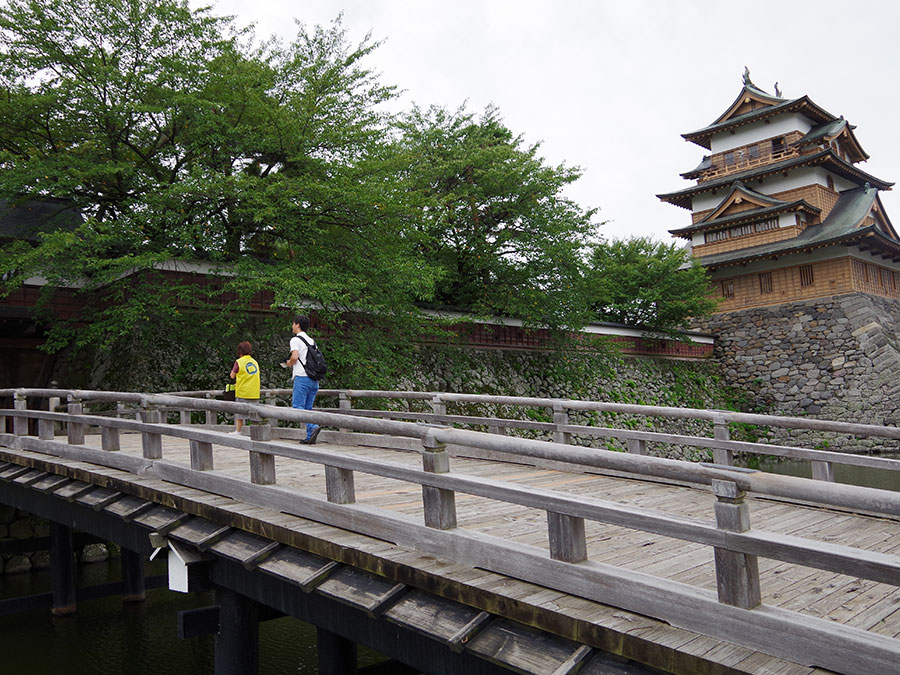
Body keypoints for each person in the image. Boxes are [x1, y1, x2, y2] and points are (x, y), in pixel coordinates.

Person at [285, 315, 321, 444]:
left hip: (302, 377)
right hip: (313, 379)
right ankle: (309, 437)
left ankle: (312, 427)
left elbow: (294, 356)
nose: (292, 326)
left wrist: (289, 363)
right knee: (308, 408)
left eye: (293, 324)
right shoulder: (311, 340)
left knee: (298, 406)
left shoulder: (295, 340)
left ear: (298, 325)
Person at [229, 341, 260, 435]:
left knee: (240, 414)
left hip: (243, 391)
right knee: (254, 415)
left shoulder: (239, 362)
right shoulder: (254, 362)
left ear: (240, 352)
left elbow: (232, 375)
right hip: (254, 392)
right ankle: (257, 433)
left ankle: (238, 431)